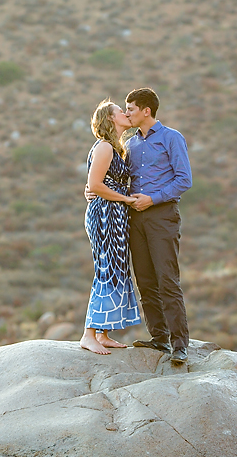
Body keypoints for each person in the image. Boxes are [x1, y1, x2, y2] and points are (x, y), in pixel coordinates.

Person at [86, 88, 192, 365]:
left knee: (167, 280)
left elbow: (184, 179)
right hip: (133, 218)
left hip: (162, 216)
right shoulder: (129, 144)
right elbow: (111, 177)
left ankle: (179, 345)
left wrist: (153, 198)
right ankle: (159, 338)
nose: (127, 112)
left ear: (146, 110)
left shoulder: (172, 138)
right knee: (145, 280)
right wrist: (91, 190)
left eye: (130, 108)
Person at [80, 99, 142, 355]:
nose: (126, 113)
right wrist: (127, 198)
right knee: (105, 269)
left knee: (116, 268)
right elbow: (95, 185)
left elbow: (99, 183)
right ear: (110, 119)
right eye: (121, 111)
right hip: (104, 214)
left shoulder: (118, 148)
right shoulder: (105, 147)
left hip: (115, 214)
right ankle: (88, 334)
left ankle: (103, 333)